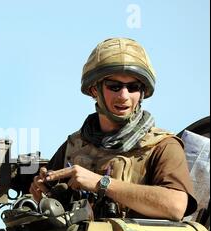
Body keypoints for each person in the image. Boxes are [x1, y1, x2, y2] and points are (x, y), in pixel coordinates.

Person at [30, 37, 197, 221]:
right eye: (114, 86)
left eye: (133, 87)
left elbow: (176, 206)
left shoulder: (162, 146)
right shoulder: (74, 145)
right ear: (95, 90)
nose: (124, 96)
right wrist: (41, 195)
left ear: (142, 92)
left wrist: (102, 183)